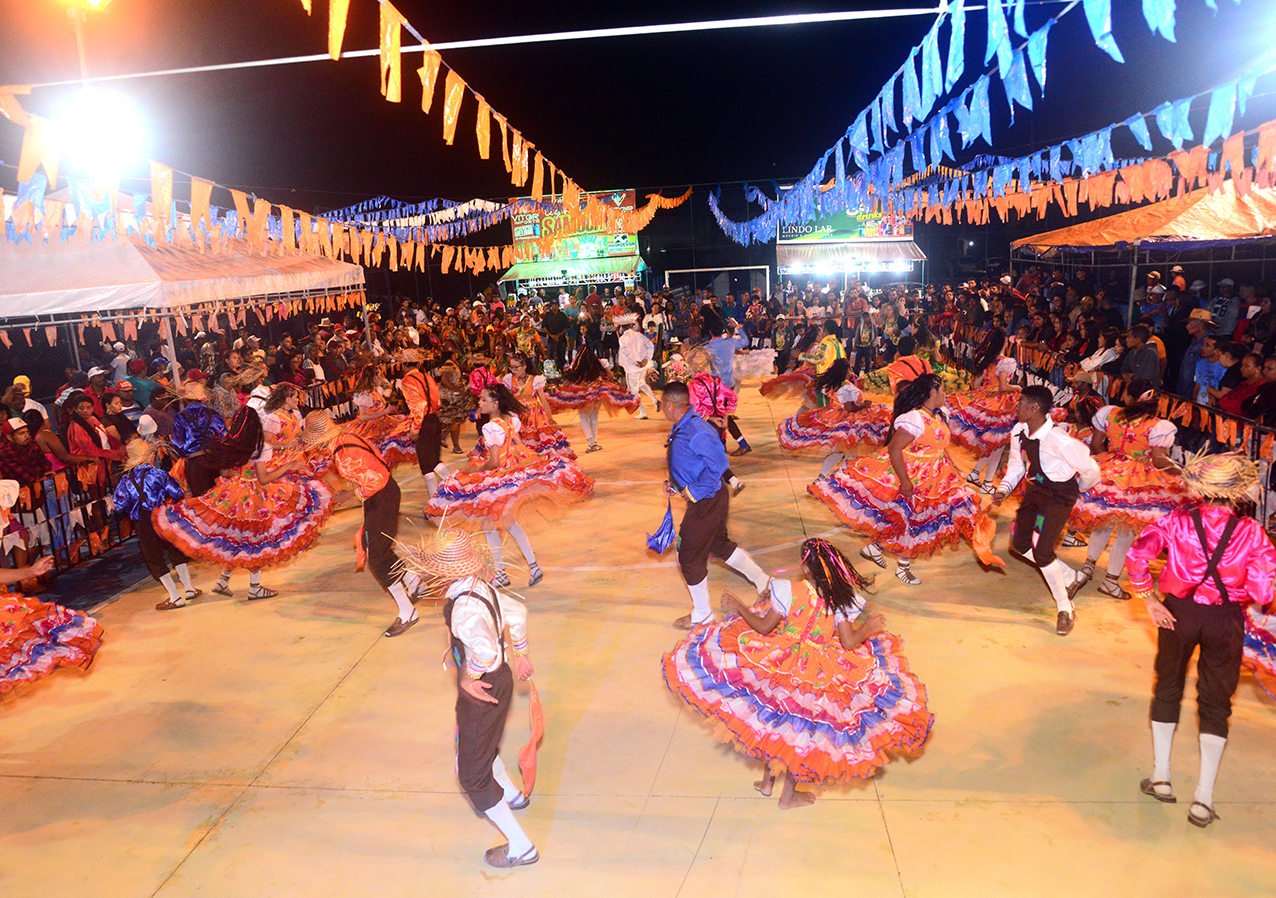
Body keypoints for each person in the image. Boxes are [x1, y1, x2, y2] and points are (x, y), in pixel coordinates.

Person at [663, 538, 931, 808]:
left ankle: (770, 783)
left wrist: (741, 607)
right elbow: (849, 642)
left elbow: (764, 627)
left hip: (780, 660)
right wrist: (868, 629)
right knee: (800, 730)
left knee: (777, 720)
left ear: (806, 568)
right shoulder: (840, 599)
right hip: (816, 671)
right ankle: (783, 793)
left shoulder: (789, 590)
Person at [1127, 453, 1276, 828]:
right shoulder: (1252, 533)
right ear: (1239, 491)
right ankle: (1203, 799)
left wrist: (1149, 600)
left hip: (1178, 613)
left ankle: (1161, 777)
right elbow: (1263, 592)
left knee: (1168, 686)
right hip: (1225, 620)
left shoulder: (1177, 520)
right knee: (1216, 702)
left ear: (1199, 488)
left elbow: (1138, 554)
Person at [403, 527, 538, 867]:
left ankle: (521, 846)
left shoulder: (463, 608)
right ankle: (511, 794)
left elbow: (485, 649)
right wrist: (520, 653)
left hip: (485, 688)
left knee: (472, 775)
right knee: (480, 742)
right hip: (501, 680)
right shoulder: (482, 587)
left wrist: (469, 677)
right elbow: (517, 613)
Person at [810, 374, 980, 586]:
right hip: (913, 474)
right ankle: (903, 568)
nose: (946, 393)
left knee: (912, 520)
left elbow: (939, 448)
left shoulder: (940, 415)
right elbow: (894, 448)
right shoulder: (915, 418)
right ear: (932, 393)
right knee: (911, 521)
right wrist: (905, 481)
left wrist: (953, 471)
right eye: (943, 389)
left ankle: (875, 549)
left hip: (935, 476)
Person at [427, 383, 593, 588]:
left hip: (497, 479)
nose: (479, 402)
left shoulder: (491, 426)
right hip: (508, 475)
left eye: (483, 399)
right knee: (505, 523)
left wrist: (475, 470)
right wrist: (520, 462)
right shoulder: (510, 419)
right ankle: (527, 568)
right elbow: (519, 445)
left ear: (495, 403)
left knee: (493, 526)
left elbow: (495, 462)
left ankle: (506, 573)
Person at [154, 407, 328, 601]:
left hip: (235, 492)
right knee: (257, 541)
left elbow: (225, 473)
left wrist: (242, 475)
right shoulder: (261, 447)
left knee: (239, 539)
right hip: (256, 497)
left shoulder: (231, 445)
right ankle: (254, 588)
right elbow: (264, 478)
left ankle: (222, 582)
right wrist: (288, 466)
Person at [303, 411, 426, 637]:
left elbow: (376, 480)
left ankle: (408, 612)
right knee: (377, 547)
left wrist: (350, 495)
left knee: (377, 557)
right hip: (383, 495)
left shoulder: (343, 453)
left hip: (381, 497)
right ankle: (414, 581)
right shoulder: (346, 437)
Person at [660, 380, 772, 629]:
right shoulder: (682, 425)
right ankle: (763, 582)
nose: (661, 409)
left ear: (669, 405)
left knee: (688, 554)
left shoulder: (697, 430)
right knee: (719, 545)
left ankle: (702, 614)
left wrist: (694, 491)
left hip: (707, 501)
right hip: (707, 499)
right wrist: (675, 484)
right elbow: (690, 462)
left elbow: (719, 465)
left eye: (661, 404)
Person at [1070, 379, 1193, 601]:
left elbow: (1096, 445)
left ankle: (1088, 567)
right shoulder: (1158, 426)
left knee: (1103, 522)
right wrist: (1184, 473)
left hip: (1108, 470)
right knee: (1126, 532)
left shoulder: (1109, 413)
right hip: (1138, 480)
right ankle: (1110, 582)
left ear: (1127, 396)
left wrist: (1103, 465)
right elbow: (1159, 460)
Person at [992, 386, 1101, 636]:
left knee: (1042, 551)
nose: (1016, 407)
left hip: (1058, 497)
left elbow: (1091, 470)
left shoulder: (1059, 440)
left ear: (1034, 408)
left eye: (1021, 403)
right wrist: (1004, 488)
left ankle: (1065, 608)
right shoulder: (1018, 432)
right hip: (1034, 493)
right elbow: (1017, 465)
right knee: (1019, 544)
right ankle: (1071, 575)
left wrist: (1080, 488)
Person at [113, 440, 200, 611]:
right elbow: (177, 493)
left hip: (142, 522)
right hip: (161, 516)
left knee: (153, 557)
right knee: (174, 549)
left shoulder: (125, 480)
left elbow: (119, 505)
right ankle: (189, 588)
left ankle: (175, 596)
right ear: (148, 456)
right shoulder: (158, 474)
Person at [777, 358, 891, 477]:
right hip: (850, 421)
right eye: (850, 369)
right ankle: (840, 477)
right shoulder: (847, 387)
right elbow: (849, 407)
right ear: (845, 371)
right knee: (850, 451)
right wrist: (864, 405)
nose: (851, 372)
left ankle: (824, 476)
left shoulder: (830, 385)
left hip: (835, 417)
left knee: (840, 451)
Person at [948, 330, 1022, 492]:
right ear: (1004, 343)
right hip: (1001, 404)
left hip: (986, 399)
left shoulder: (986, 359)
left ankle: (975, 474)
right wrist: (1017, 387)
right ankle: (987, 484)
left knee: (993, 444)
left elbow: (976, 384)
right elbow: (1003, 387)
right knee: (998, 445)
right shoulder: (1007, 361)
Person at [546, 345, 638, 453]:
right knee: (594, 417)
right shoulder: (599, 363)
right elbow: (610, 375)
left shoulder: (577, 366)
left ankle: (591, 443)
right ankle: (594, 442)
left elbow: (568, 381)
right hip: (597, 391)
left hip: (582, 393)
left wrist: (563, 390)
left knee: (584, 418)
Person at [501, 352, 572, 457]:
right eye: (511, 367)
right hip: (518, 414)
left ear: (524, 366)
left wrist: (550, 418)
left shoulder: (535, 380)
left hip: (535, 416)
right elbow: (506, 399)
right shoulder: (509, 380)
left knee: (538, 440)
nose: (513, 371)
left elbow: (543, 400)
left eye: (516, 367)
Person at [616, 315, 658, 419]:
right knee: (642, 384)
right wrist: (646, 359)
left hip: (632, 369)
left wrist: (636, 362)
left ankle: (643, 412)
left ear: (622, 327)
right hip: (642, 367)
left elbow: (626, 353)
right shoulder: (639, 335)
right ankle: (655, 400)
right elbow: (650, 345)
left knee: (633, 391)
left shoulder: (622, 339)